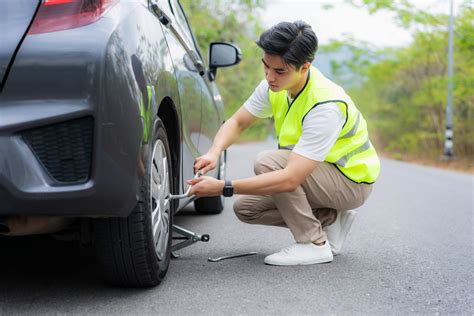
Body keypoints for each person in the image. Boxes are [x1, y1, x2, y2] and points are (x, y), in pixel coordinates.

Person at [188, 21, 380, 266]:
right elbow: (237, 122)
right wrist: (214, 152)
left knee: (267, 162)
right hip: (321, 177)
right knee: (245, 208)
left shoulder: (325, 105)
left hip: (350, 182)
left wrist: (222, 186)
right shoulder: (274, 85)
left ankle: (313, 244)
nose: (269, 77)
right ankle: (331, 219)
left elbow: (290, 178)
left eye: (279, 71)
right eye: (266, 67)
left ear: (305, 67)